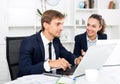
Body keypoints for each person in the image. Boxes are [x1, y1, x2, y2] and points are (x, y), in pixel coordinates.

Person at [18, 10, 81, 77]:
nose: (61, 28)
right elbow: (24, 71)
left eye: (62, 24)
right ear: (46, 25)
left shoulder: (56, 40)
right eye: (57, 24)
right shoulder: (29, 42)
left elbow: (67, 55)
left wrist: (76, 60)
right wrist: (49, 64)